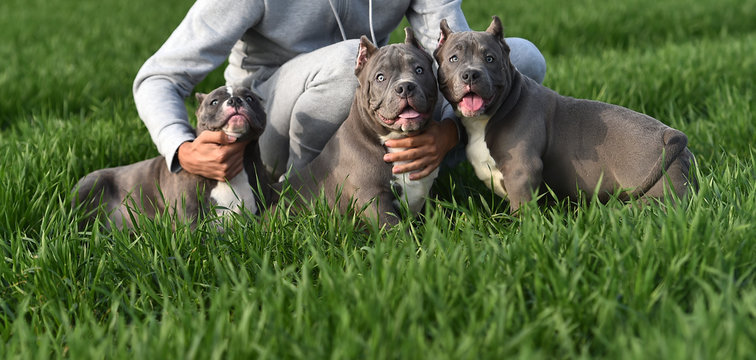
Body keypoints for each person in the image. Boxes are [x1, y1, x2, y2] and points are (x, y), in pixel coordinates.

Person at [133, 0, 546, 183]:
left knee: (520, 59)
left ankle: (424, 168)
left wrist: (449, 131)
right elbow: (160, 77)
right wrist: (182, 149)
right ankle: (298, 194)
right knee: (353, 62)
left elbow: (453, 55)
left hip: (380, 107)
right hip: (274, 123)